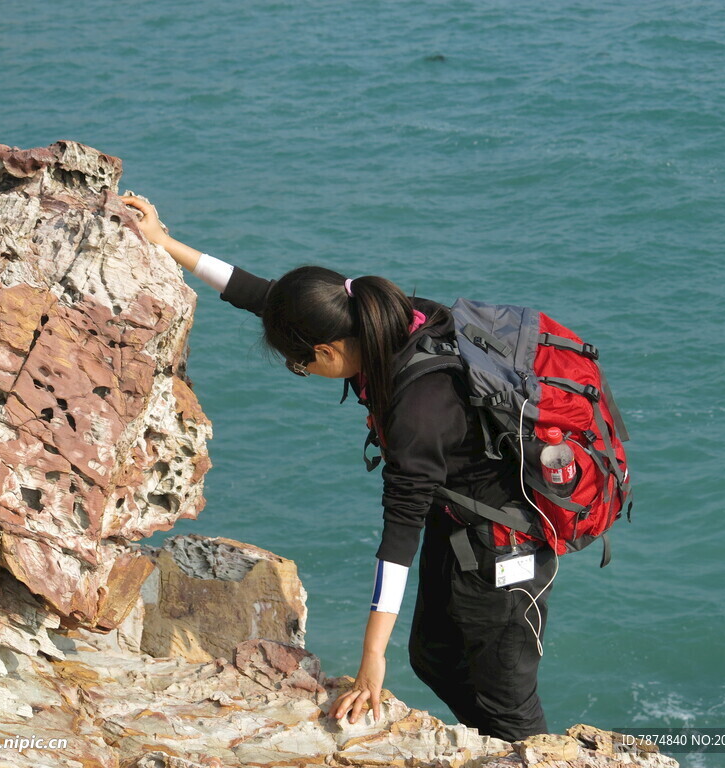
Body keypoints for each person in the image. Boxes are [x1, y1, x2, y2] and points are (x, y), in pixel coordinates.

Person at [122, 195, 559, 742]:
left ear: (328, 351)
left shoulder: (418, 410)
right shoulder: (375, 321)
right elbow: (266, 299)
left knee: (505, 696)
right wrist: (166, 243)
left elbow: (401, 531)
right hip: (462, 521)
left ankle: (527, 752)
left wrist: (372, 658)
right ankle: (490, 747)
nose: (298, 369)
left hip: (506, 545)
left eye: (299, 363)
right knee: (434, 659)